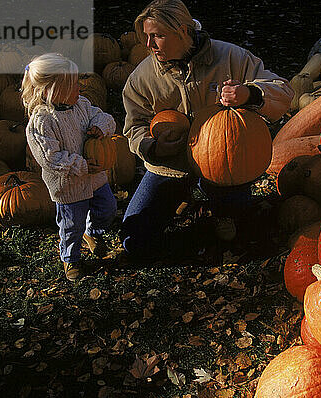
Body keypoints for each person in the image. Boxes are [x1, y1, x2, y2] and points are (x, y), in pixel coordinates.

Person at [120, 0, 293, 261]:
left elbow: (283, 90)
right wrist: (153, 148)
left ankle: (216, 206)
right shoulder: (143, 77)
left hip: (225, 165)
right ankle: (187, 199)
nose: (148, 45)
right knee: (134, 240)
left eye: (157, 36)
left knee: (241, 234)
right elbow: (134, 126)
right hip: (171, 165)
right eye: (146, 36)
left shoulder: (231, 58)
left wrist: (249, 93)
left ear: (182, 31)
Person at [23, 53, 117, 281]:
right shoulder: (42, 121)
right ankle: (71, 258)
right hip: (69, 186)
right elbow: (50, 158)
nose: (79, 87)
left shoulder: (82, 105)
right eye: (72, 84)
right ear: (49, 91)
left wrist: (99, 127)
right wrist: (82, 165)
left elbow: (105, 118)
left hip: (95, 179)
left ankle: (92, 232)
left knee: (108, 208)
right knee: (71, 225)